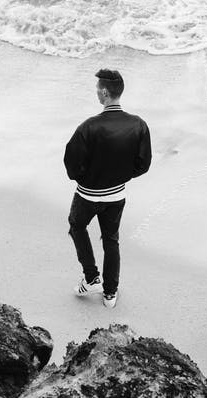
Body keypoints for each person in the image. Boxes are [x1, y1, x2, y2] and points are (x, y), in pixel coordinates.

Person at [64, 67, 152, 309]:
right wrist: (120, 176)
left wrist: (85, 178)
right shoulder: (139, 125)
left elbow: (71, 162)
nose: (96, 94)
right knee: (111, 240)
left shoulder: (89, 127)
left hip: (87, 195)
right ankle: (110, 293)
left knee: (76, 224)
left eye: (97, 90)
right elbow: (143, 165)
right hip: (117, 194)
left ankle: (91, 277)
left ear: (104, 92)